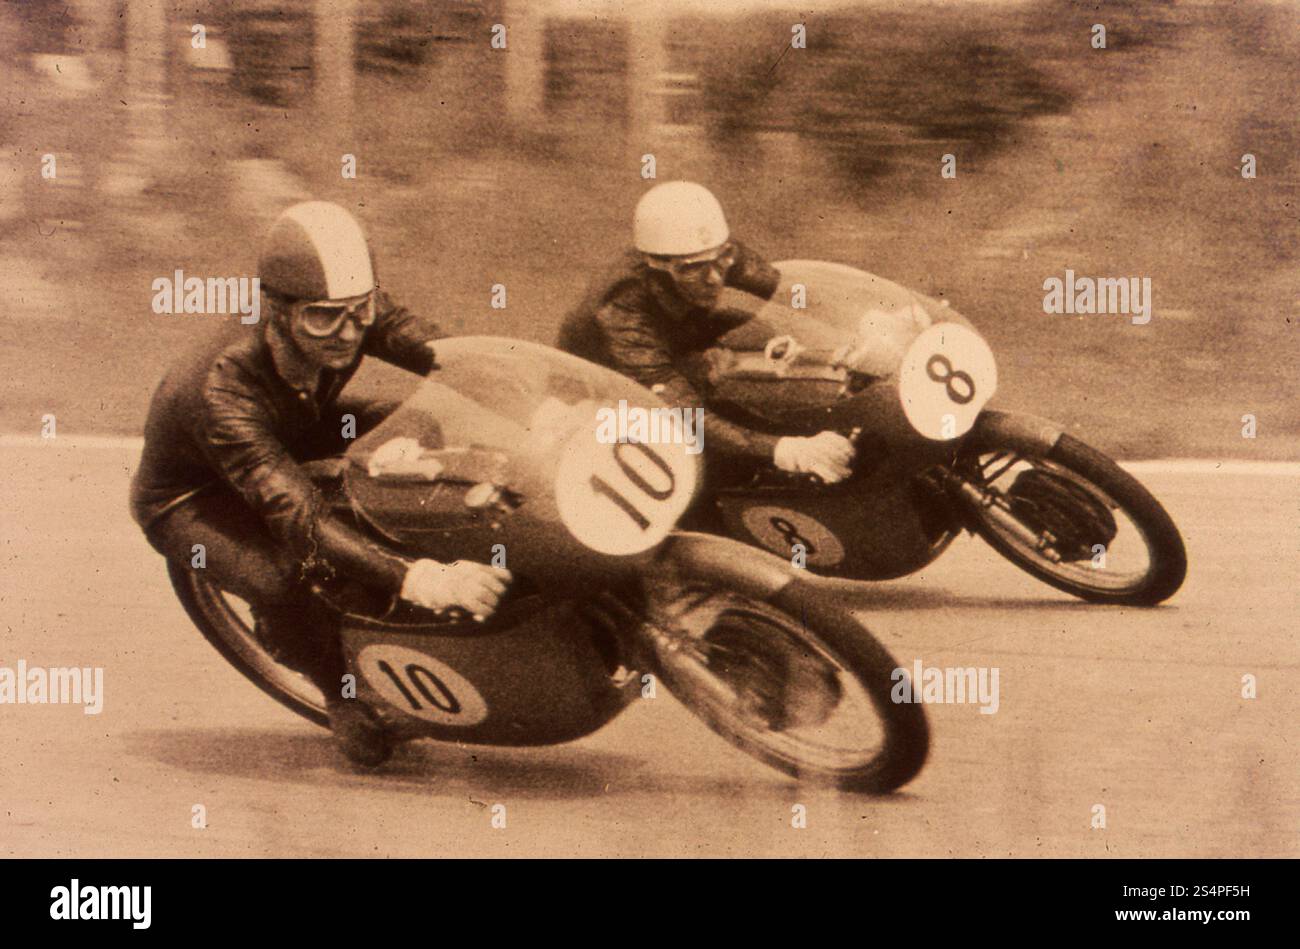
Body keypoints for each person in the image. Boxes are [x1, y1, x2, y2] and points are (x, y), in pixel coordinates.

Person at [130, 200, 511, 767]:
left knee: (425, 418)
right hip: (194, 495)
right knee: (284, 576)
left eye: (361, 311)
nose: (347, 332)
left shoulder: (348, 314)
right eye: (323, 318)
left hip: (294, 428)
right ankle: (341, 694)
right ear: (278, 311)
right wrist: (422, 579)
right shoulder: (220, 385)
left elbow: (442, 355)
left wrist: (510, 391)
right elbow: (298, 517)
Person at [557, 181, 855, 487]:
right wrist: (782, 450)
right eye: (694, 269)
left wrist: (858, 323)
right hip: (605, 388)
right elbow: (684, 413)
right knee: (695, 450)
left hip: (676, 335)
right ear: (657, 265)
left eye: (721, 260)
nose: (714, 279)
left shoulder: (709, 251)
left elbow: (787, 291)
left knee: (762, 329)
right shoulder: (620, 310)